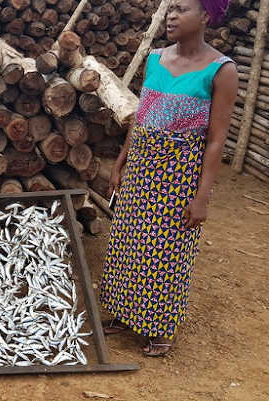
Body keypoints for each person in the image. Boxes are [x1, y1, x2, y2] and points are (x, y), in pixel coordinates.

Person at [99, 0, 237, 357]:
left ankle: (159, 326)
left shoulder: (221, 70)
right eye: (169, 8)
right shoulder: (156, 59)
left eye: (181, 9)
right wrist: (121, 160)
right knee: (128, 239)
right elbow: (142, 114)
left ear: (206, 16)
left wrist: (203, 195)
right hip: (142, 166)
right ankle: (123, 313)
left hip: (179, 173)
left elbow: (217, 138)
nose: (170, 15)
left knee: (167, 249)